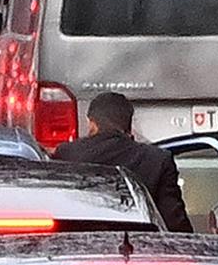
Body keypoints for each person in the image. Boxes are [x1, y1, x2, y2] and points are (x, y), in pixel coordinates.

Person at [52, 92, 191, 232]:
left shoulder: (66, 154)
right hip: (140, 248)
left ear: (92, 123)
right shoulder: (158, 159)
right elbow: (175, 223)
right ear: (129, 125)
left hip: (79, 246)